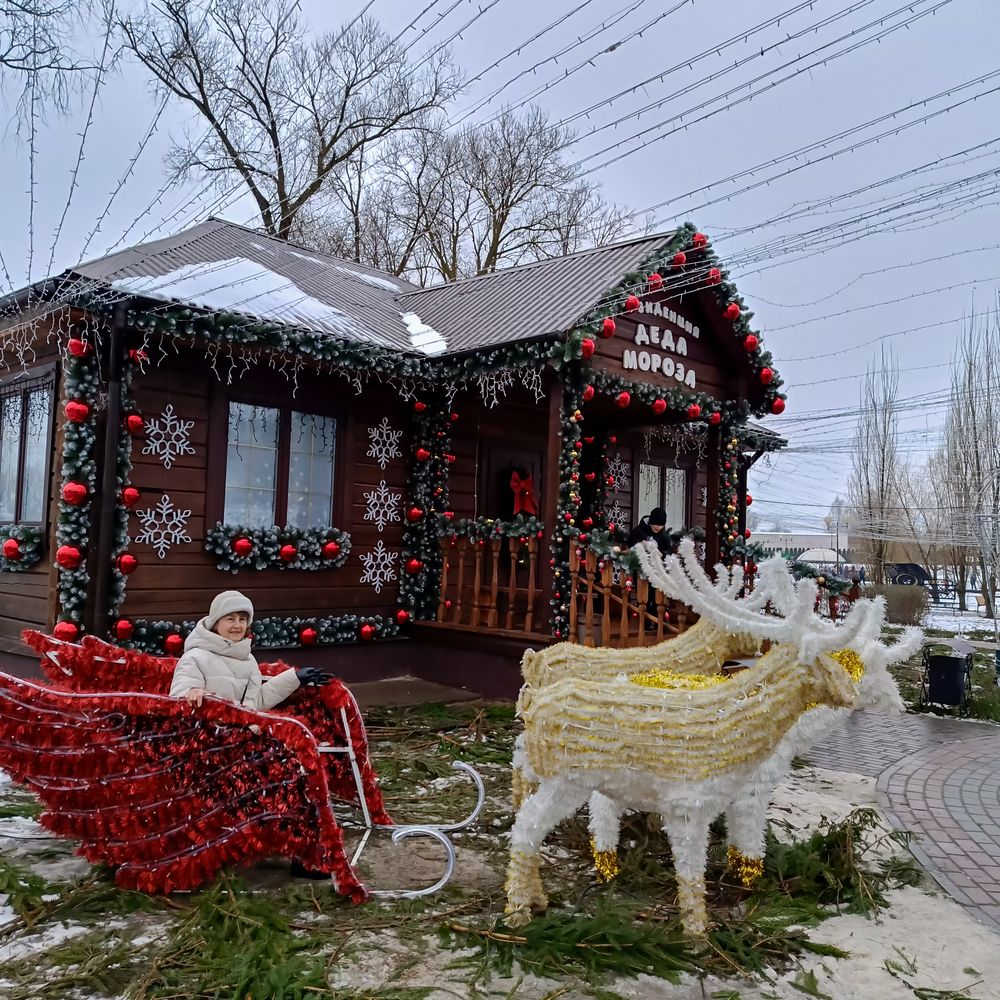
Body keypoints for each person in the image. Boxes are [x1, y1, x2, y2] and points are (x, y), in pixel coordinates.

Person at [169, 590, 329, 710]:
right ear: (216, 623)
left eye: (242, 619)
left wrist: (295, 678)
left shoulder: (248, 660)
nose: (237, 625)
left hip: (244, 739)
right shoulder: (195, 657)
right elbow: (180, 698)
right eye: (230, 619)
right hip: (210, 744)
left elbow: (255, 702)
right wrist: (191, 691)